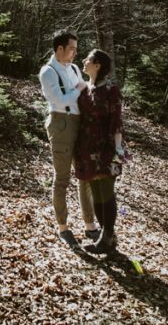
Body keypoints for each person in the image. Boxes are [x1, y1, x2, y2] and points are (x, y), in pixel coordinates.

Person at [39, 30, 99, 246]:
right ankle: (63, 228)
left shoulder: (73, 69)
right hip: (61, 124)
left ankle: (90, 226)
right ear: (60, 48)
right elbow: (59, 99)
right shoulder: (48, 72)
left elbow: (84, 93)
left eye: (76, 48)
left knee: (85, 175)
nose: (75, 53)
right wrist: (80, 88)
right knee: (62, 179)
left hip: (79, 124)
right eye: (71, 48)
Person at [75, 48, 125, 254]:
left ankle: (107, 236)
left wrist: (117, 148)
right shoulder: (86, 88)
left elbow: (116, 120)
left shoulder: (111, 89)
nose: (84, 61)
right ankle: (108, 238)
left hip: (106, 148)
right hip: (86, 148)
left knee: (106, 192)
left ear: (97, 65)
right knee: (96, 192)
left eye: (88, 59)